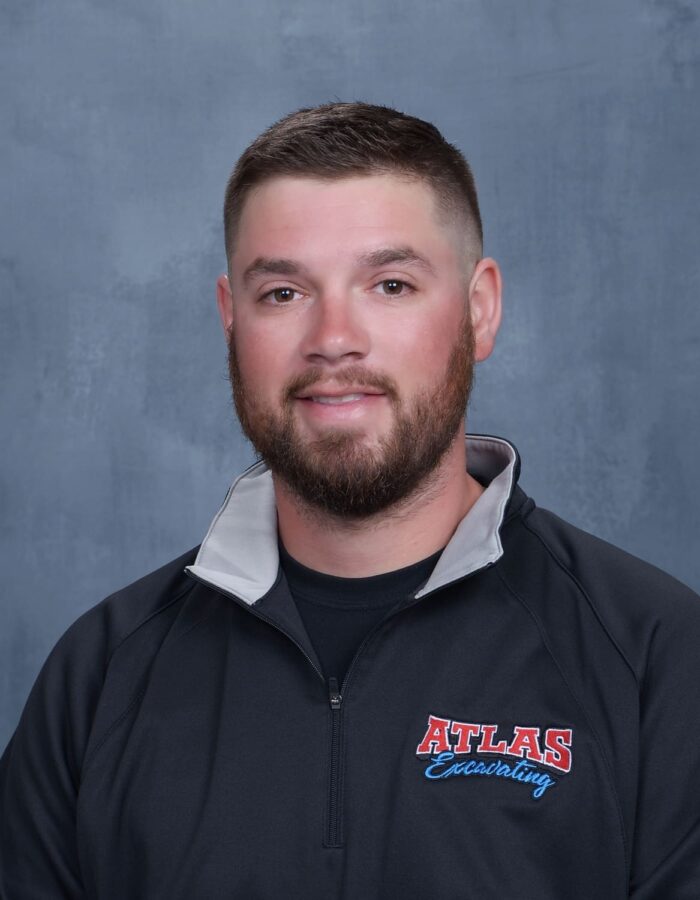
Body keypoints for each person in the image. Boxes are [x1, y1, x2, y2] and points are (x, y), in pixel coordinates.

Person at [1, 102, 698, 900]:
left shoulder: (657, 660)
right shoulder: (98, 679)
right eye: (284, 293)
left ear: (480, 310)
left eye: (390, 284)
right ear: (231, 320)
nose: (334, 338)